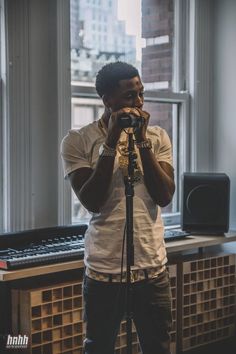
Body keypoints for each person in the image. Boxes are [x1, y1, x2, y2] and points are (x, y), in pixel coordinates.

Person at [61, 61, 175, 354]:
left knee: (158, 346)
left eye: (141, 94)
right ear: (107, 100)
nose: (138, 103)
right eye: (129, 97)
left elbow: (164, 196)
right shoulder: (78, 140)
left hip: (152, 268)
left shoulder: (157, 136)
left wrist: (142, 142)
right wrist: (110, 140)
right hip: (104, 272)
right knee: (98, 347)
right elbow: (92, 201)